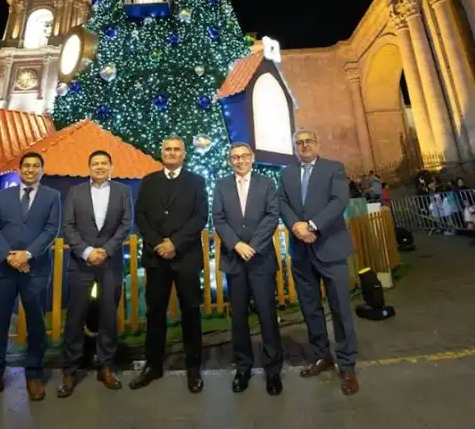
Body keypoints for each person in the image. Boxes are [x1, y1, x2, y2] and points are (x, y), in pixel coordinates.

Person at [0, 151, 61, 406]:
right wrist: (9, 256)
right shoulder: (3, 195)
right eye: (27, 166)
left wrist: (28, 255)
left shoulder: (52, 196)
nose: (31, 170)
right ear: (20, 169)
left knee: (36, 324)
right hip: (3, 268)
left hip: (35, 270)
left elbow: (51, 229)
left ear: (42, 170)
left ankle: (33, 374)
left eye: (36, 166)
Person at [277, 128, 359, 396]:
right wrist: (297, 227)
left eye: (308, 141)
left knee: (339, 308)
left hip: (330, 247)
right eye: (299, 143)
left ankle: (346, 364)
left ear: (317, 143)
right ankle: (322, 355)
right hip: (301, 251)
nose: (304, 146)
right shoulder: (287, 173)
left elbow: (339, 201)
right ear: (295, 147)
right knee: (310, 308)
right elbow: (282, 203)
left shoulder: (333, 168)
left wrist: (312, 225)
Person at [130, 136, 208, 394]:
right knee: (155, 313)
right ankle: (153, 365)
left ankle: (193, 367)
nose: (172, 153)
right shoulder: (149, 181)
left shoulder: (196, 182)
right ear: (161, 152)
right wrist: (157, 243)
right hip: (156, 257)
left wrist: (174, 242)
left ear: (184, 154)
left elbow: (200, 217)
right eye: (168, 149)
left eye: (177, 150)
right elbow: (140, 215)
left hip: (185, 256)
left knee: (191, 312)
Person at [56, 150, 133, 398]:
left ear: (111, 166)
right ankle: (69, 370)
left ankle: (107, 366)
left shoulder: (123, 191)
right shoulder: (75, 192)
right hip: (81, 263)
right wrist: (87, 251)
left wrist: (106, 250)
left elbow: (126, 224)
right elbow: (67, 226)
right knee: (75, 317)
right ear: (88, 167)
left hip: (110, 263)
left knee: (109, 317)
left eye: (104, 163)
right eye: (95, 163)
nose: (99, 167)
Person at [212, 142, 284, 395]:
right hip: (234, 260)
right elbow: (218, 218)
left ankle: (273, 370)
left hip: (260, 258)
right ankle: (243, 367)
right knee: (239, 318)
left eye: (244, 156)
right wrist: (236, 245)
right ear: (230, 161)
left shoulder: (267, 183)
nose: (240, 160)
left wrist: (251, 245)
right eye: (235, 157)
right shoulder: (221, 185)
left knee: (267, 315)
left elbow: (272, 216)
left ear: (252, 158)